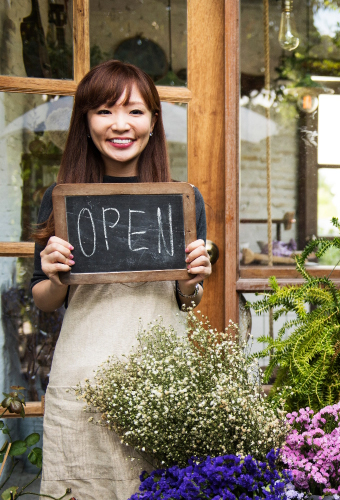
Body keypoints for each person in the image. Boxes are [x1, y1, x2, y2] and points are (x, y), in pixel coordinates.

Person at [31, 60, 211, 499]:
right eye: (105, 111)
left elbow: (186, 299)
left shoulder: (182, 201)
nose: (120, 125)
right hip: (82, 385)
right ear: (86, 121)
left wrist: (192, 280)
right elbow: (44, 298)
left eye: (134, 111)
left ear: (153, 121)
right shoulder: (58, 200)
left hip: (162, 385)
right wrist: (55, 275)